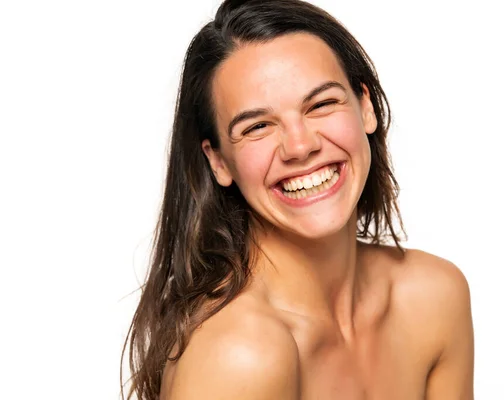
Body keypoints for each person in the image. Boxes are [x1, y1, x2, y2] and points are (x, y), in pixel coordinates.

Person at [122, 0, 475, 399]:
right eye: (257, 126)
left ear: (366, 107)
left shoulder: (433, 296)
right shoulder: (238, 354)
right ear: (219, 161)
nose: (300, 146)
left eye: (322, 104)